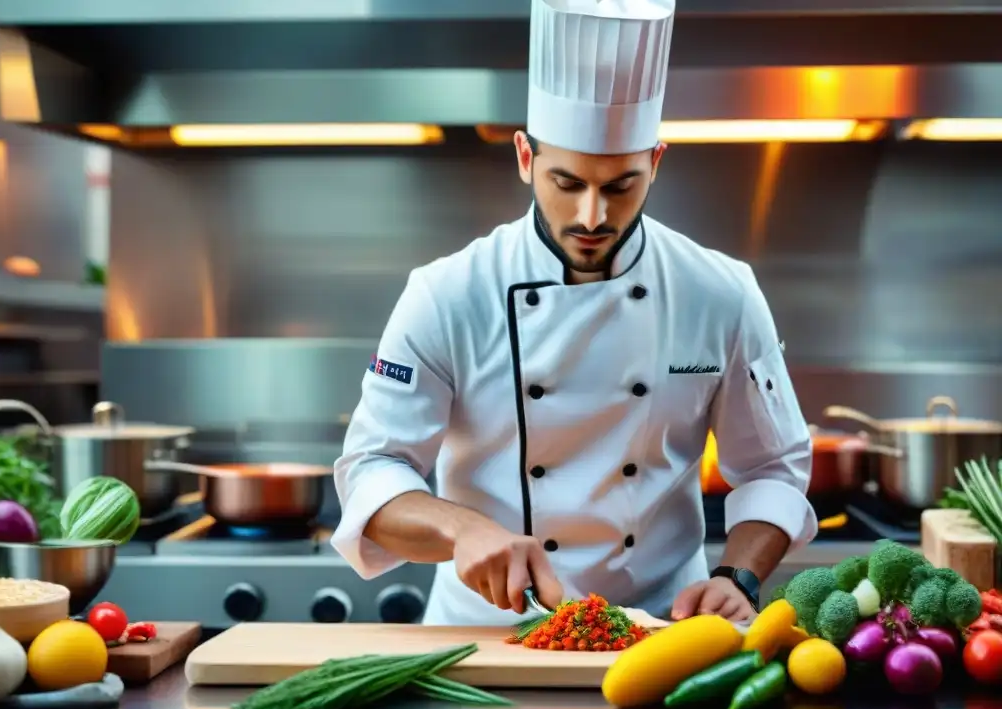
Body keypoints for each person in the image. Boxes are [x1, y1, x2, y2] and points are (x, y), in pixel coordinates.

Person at [332, 0, 816, 626]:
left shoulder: (720, 292)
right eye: (567, 183)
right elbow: (372, 470)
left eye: (620, 187)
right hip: (485, 636)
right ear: (525, 158)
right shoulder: (446, 294)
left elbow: (773, 465)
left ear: (655, 163)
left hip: (663, 631)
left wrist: (737, 577)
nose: (592, 216)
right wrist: (462, 529)